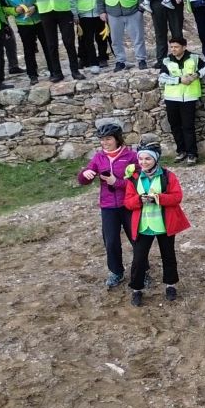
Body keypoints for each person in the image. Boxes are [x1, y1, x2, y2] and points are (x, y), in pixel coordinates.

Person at [123, 145, 189, 307]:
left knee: (168, 256)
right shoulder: (134, 177)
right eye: (140, 159)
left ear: (156, 159)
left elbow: (177, 197)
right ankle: (137, 289)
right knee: (138, 259)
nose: (143, 162)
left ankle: (171, 285)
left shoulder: (168, 176)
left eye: (148, 158)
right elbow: (127, 202)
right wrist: (139, 200)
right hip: (143, 226)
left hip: (164, 225)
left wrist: (158, 198)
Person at [76, 121, 138, 290]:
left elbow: (138, 182)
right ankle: (116, 272)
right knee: (111, 241)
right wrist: (84, 174)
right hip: (108, 206)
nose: (104, 142)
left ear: (117, 139)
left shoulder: (131, 156)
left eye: (108, 139)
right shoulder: (98, 157)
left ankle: (142, 270)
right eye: (102, 139)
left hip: (129, 204)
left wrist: (115, 182)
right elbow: (83, 181)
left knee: (137, 239)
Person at [158, 37, 203, 164]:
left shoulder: (194, 58)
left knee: (188, 126)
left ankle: (192, 154)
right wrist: (179, 80)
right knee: (175, 126)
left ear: (184, 47)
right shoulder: (167, 60)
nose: (173, 49)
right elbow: (162, 77)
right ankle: (181, 151)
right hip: (171, 98)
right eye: (171, 47)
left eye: (176, 47)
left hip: (189, 97)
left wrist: (196, 75)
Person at [1, 0, 44, 85]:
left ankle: (54, 71)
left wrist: (35, 6)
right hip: (23, 23)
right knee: (28, 50)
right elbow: (3, 8)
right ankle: (32, 75)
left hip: (39, 19)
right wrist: (14, 10)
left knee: (48, 47)